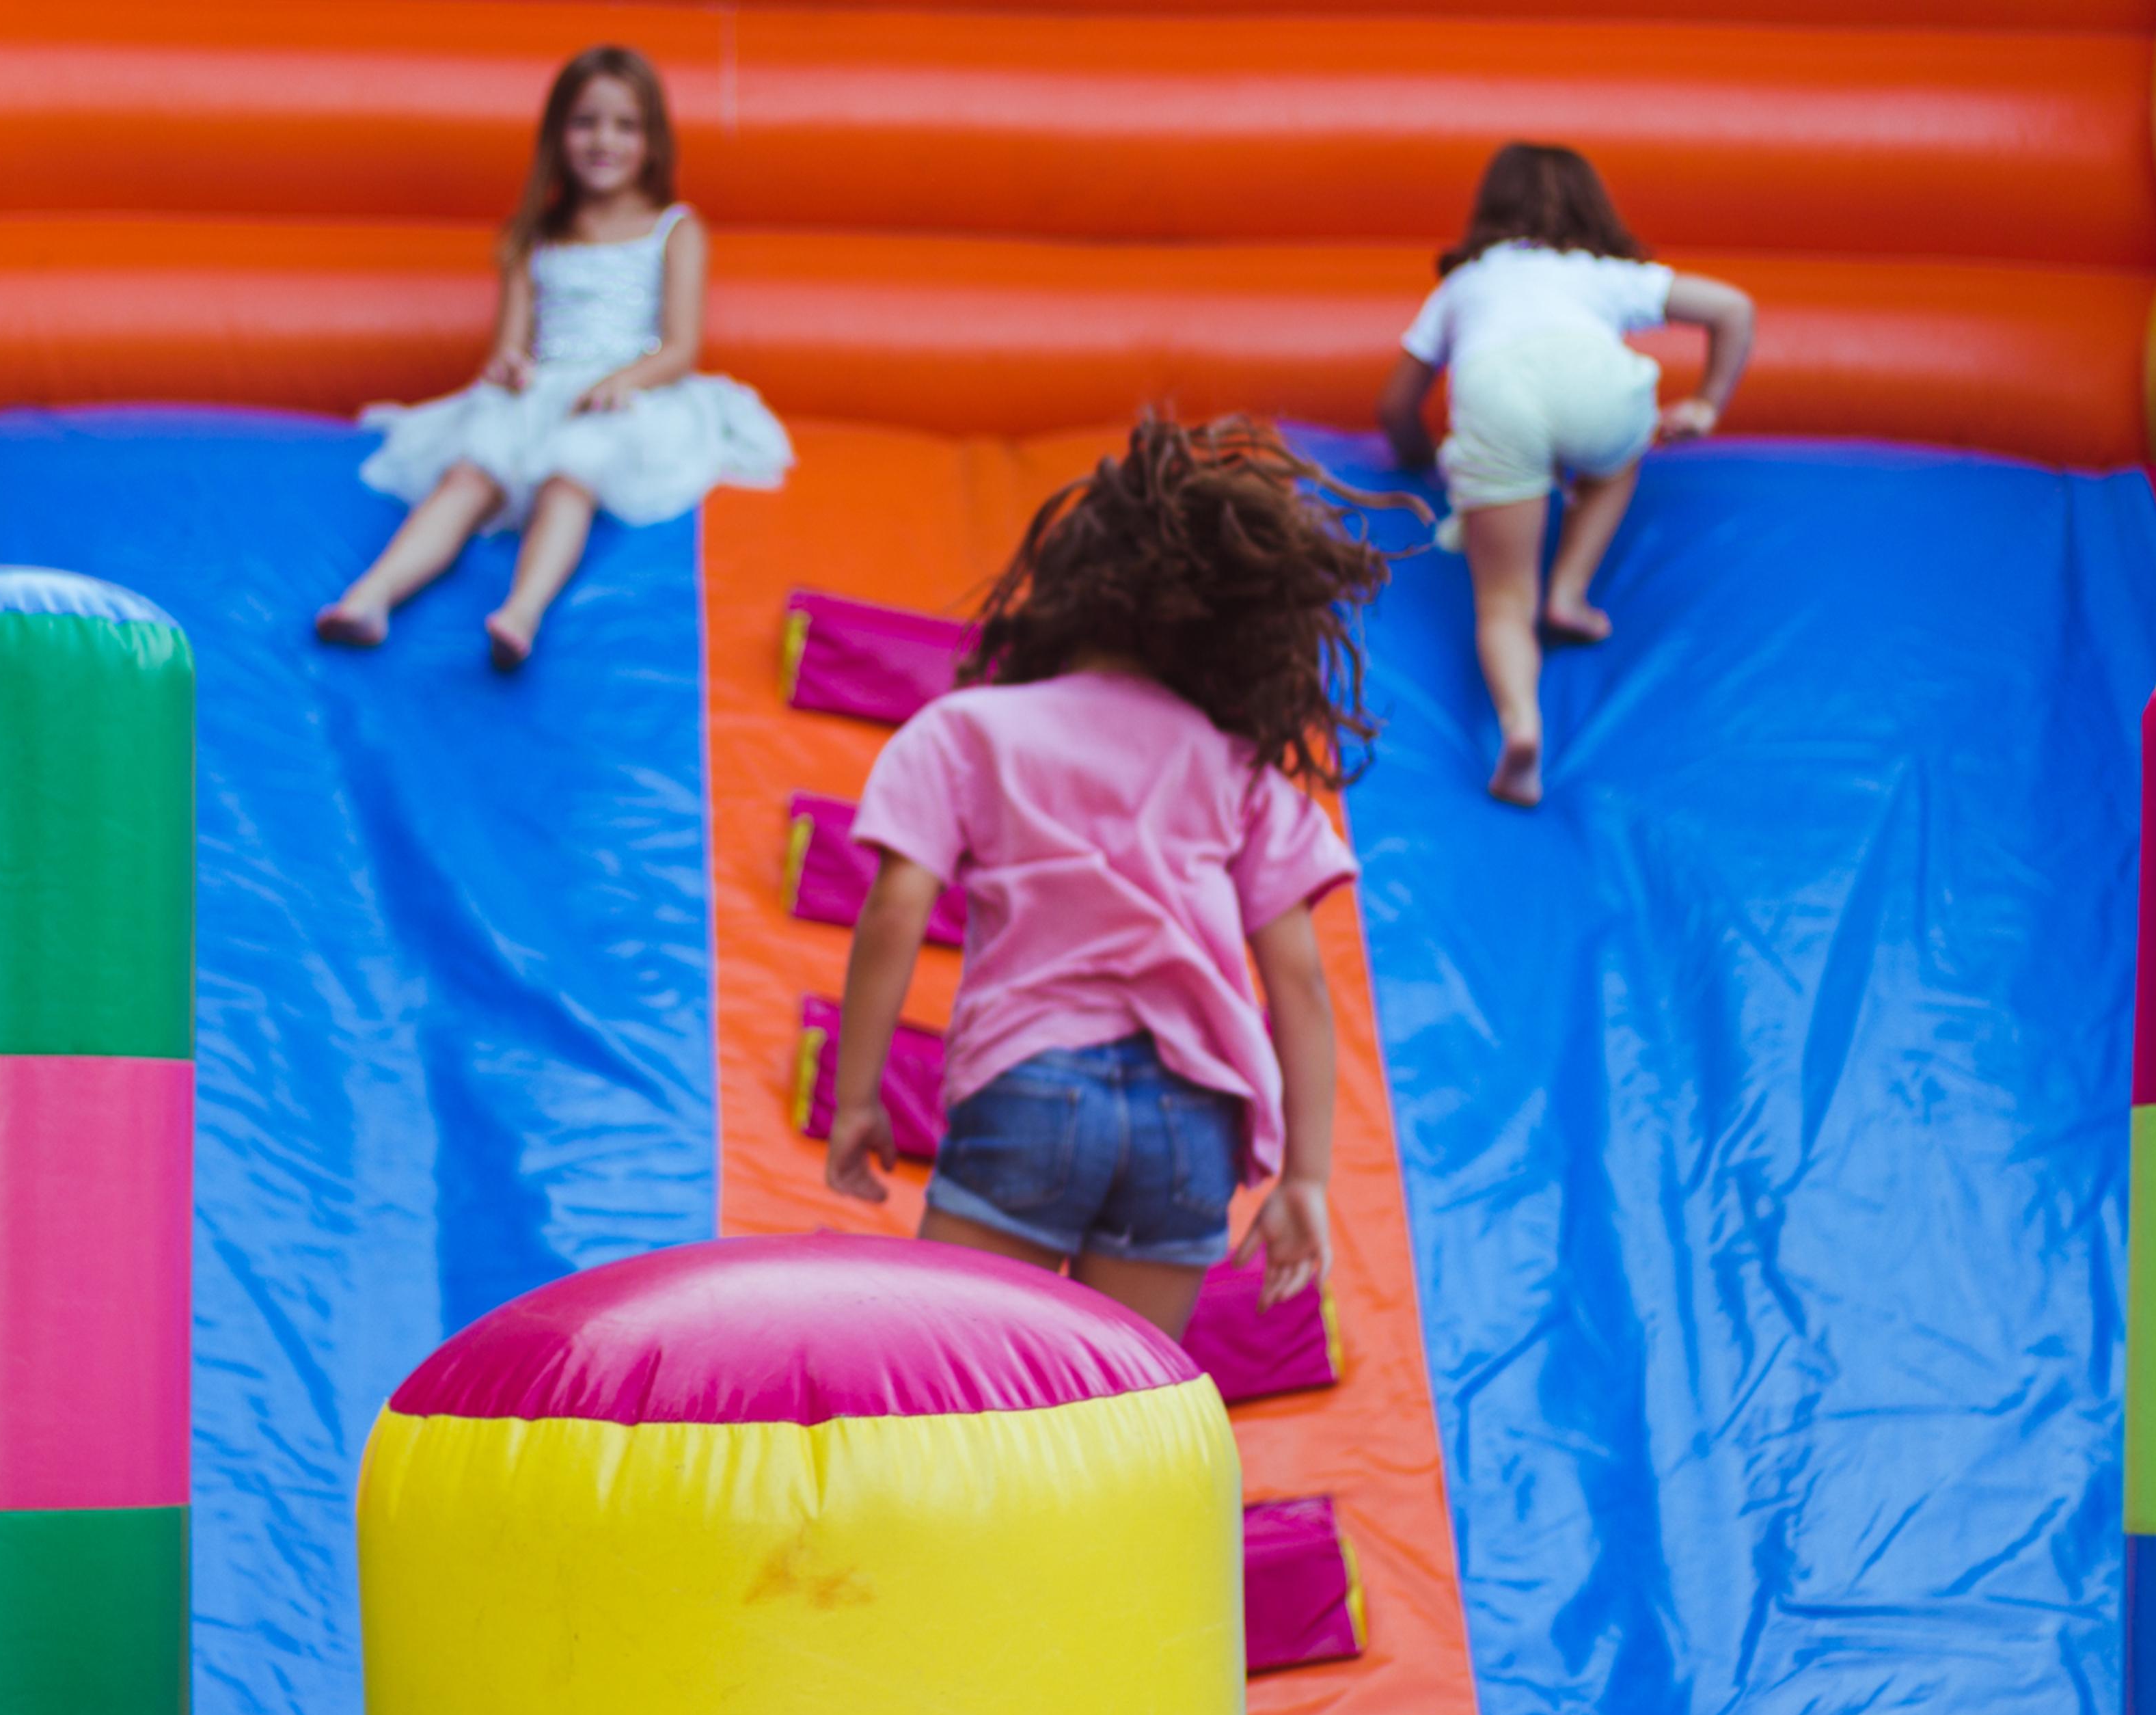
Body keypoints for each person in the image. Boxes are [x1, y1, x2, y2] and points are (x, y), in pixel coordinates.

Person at [823, 414, 1410, 1341]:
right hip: (1193, 1114)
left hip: (1032, 1076)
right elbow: (1296, 977)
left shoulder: (972, 730)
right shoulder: (1234, 765)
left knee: (959, 1387)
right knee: (1112, 1417)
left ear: (1063, 596)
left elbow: (898, 908)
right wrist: (1305, 1176)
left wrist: (857, 1097)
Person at [316, 45, 791, 669]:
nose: (604, 141)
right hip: (547, 388)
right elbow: (510, 347)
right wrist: (509, 368)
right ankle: (372, 597)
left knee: (573, 470)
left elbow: (679, 346)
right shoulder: (533, 235)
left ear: (652, 142)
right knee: (473, 467)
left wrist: (626, 380)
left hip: (630, 391)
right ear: (557, 134)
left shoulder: (675, 229)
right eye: (586, 122)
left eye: (625, 126)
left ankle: (522, 610)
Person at [1378, 141, 1756, 807]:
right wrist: (1704, 404)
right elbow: (1734, 308)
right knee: (1618, 457)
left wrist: (1413, 454)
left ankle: (1521, 727)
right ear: (1591, 208)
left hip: (1499, 395)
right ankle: (1571, 591)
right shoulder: (1603, 272)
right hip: (1597, 388)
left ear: (1488, 211)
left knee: (1500, 602)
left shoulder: (1466, 282)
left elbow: (1395, 403)